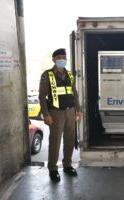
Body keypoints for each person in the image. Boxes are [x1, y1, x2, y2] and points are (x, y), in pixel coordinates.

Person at [38, 48, 82, 182]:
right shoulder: (47, 75)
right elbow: (41, 96)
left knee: (69, 140)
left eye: (64, 57)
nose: (62, 59)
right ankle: (52, 168)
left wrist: (78, 110)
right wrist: (46, 114)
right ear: (54, 59)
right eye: (59, 57)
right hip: (55, 113)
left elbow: (74, 93)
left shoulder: (69, 74)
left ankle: (67, 165)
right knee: (55, 141)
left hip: (70, 111)